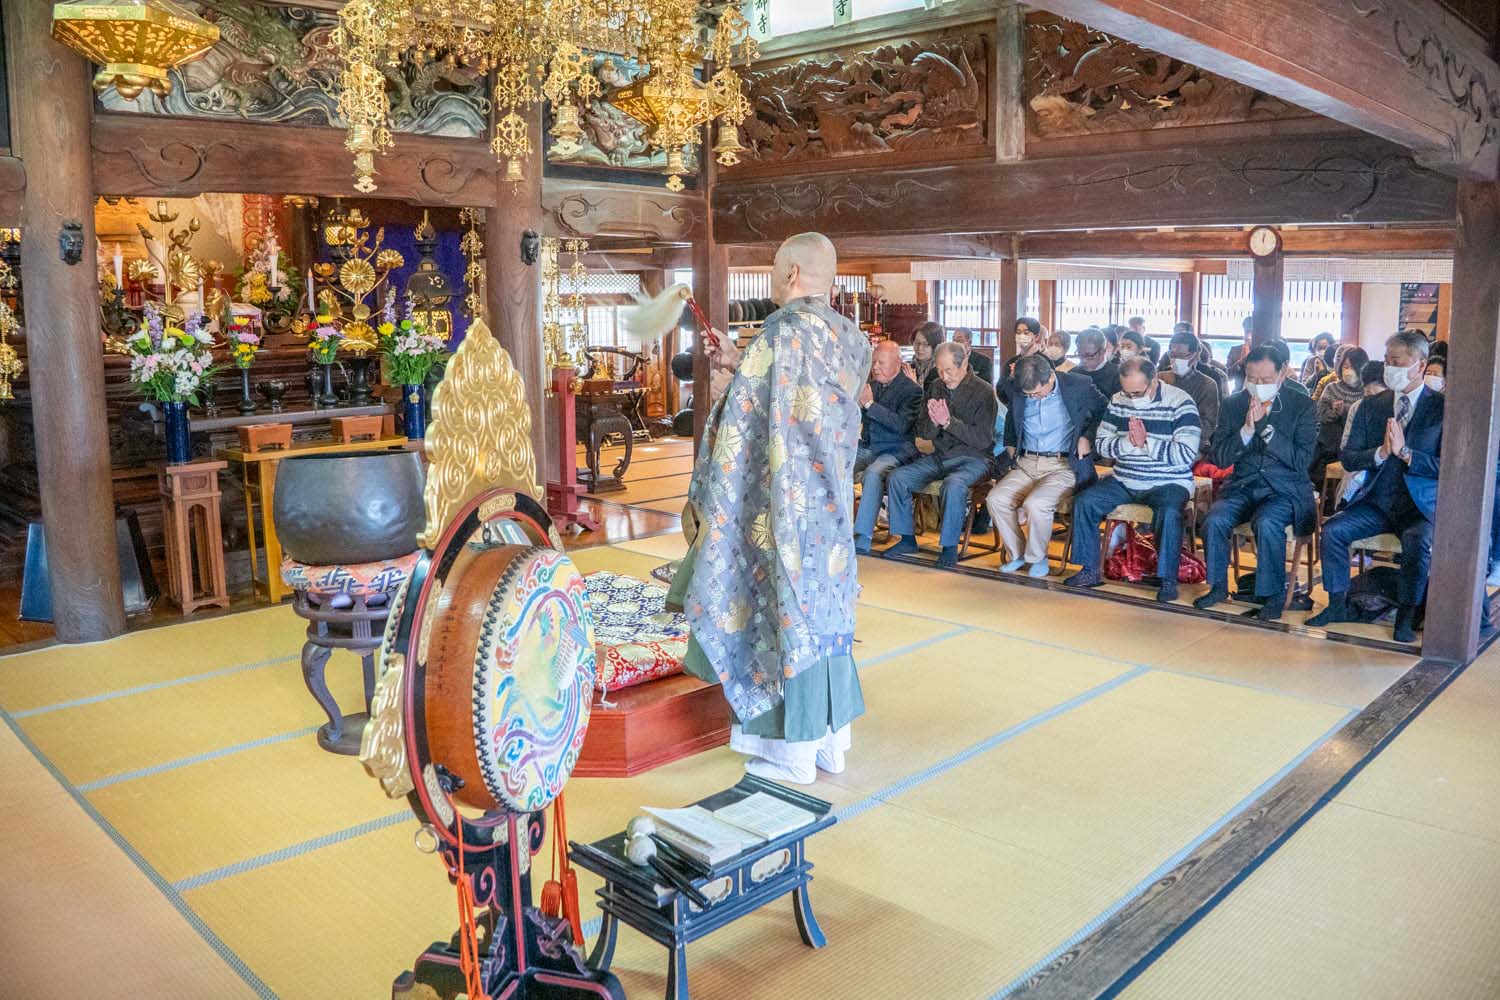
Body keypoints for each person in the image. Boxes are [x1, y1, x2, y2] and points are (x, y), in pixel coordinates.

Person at [669, 231, 870, 785]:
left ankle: (791, 752)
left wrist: (728, 378)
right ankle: (830, 743)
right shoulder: (849, 336)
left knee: (782, 613)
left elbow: (746, 417)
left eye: (776, 268)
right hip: (829, 506)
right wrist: (740, 359)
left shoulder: (782, 333)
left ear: (793, 275)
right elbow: (798, 400)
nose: (775, 278)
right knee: (826, 613)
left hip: (784, 506)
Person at [1309, 331, 1442, 643]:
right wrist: (1380, 453)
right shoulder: (1371, 406)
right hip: (1377, 500)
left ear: (1421, 365)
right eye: (1387, 360)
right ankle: (1337, 603)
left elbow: (1447, 466)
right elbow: (1349, 457)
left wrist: (1406, 453)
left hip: (1418, 506)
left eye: (1398, 362)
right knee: (1334, 531)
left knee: (1418, 541)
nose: (1389, 367)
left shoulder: (1442, 407)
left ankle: (1407, 615)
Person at [1193, 345, 1318, 621]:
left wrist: (1266, 429)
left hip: (1283, 489)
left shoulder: (1302, 406)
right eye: (1252, 379)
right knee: (1215, 520)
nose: (1258, 385)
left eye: (1265, 379)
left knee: (1268, 522)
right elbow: (1221, 457)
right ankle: (1217, 586)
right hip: (1242, 485)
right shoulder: (1233, 404)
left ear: (1282, 373)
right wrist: (1246, 432)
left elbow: (1301, 460)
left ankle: (1273, 596)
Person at [1066, 357, 1201, 602]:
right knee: (1085, 501)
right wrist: (1129, 443)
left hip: (1168, 480)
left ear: (1154, 381)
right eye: (1127, 392)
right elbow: (1103, 446)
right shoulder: (1119, 400)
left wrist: (1146, 443)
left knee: (1170, 512)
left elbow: (1185, 455)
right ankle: (1089, 570)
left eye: (1137, 392)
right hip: (1125, 477)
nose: (1132, 398)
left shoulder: (1180, 402)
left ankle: (1168, 579)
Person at [987, 354, 1107, 577]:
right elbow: (1013, 415)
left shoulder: (1078, 385)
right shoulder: (1018, 388)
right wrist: (1011, 444)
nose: (1034, 398)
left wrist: (1088, 437)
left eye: (1038, 393)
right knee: (996, 499)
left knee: (1036, 503)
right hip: (1027, 462)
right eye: (1029, 395)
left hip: (1063, 464)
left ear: (1051, 377)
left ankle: (1037, 558)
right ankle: (1017, 554)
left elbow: (1105, 410)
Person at [882, 342, 998, 568]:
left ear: (964, 364)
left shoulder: (984, 391)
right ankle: (906, 539)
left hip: (975, 458)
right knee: (898, 478)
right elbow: (923, 432)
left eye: (949, 371)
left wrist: (948, 423)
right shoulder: (936, 386)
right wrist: (935, 423)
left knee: (953, 484)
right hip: (941, 455)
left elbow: (983, 440)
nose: (944, 376)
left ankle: (949, 547)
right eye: (940, 370)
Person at [853, 340, 922, 555]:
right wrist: (858, 407)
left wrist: (869, 405)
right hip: (870, 446)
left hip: (897, 449)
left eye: (880, 363)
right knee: (836, 465)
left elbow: (901, 425)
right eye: (873, 362)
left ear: (897, 363)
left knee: (873, 473)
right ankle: (833, 525)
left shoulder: (912, 390)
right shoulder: (872, 386)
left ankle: (863, 536)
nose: (875, 367)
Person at [1310, 347, 1369, 484]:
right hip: (1328, 444)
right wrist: (1334, 413)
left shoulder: (1367, 391)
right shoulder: (1332, 388)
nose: (1348, 371)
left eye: (1353, 367)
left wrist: (1345, 412)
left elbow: (1365, 422)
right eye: (1345, 366)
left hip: (1355, 445)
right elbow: (1319, 415)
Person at [1160, 330, 1220, 461]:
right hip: (1159, 438)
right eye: (1172, 355)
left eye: (1181, 356)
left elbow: (1208, 425)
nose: (1176, 360)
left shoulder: (1207, 384)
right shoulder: (1160, 378)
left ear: (1195, 356)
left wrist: (1174, 426)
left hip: (1193, 443)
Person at [999, 317, 1049, 402]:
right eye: (1018, 333)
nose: (1022, 336)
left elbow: (1047, 390)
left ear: (1036, 336)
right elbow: (1001, 391)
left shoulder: (1045, 361)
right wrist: (1011, 377)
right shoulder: (1011, 362)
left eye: (1026, 333)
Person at [1075, 327, 1122, 399]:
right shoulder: (1073, 374)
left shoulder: (1118, 375)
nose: (1083, 360)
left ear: (1103, 352)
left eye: (1089, 356)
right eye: (1079, 355)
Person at [906, 321, 944, 389]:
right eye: (917, 343)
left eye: (925, 344)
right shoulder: (909, 368)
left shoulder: (942, 372)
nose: (920, 348)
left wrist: (913, 384)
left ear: (936, 346)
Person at [1226, 316, 1254, 388]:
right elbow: (1227, 376)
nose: (1249, 335)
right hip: (1238, 391)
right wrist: (1239, 362)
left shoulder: (1262, 352)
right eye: (1247, 331)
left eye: (1251, 332)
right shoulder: (1235, 350)